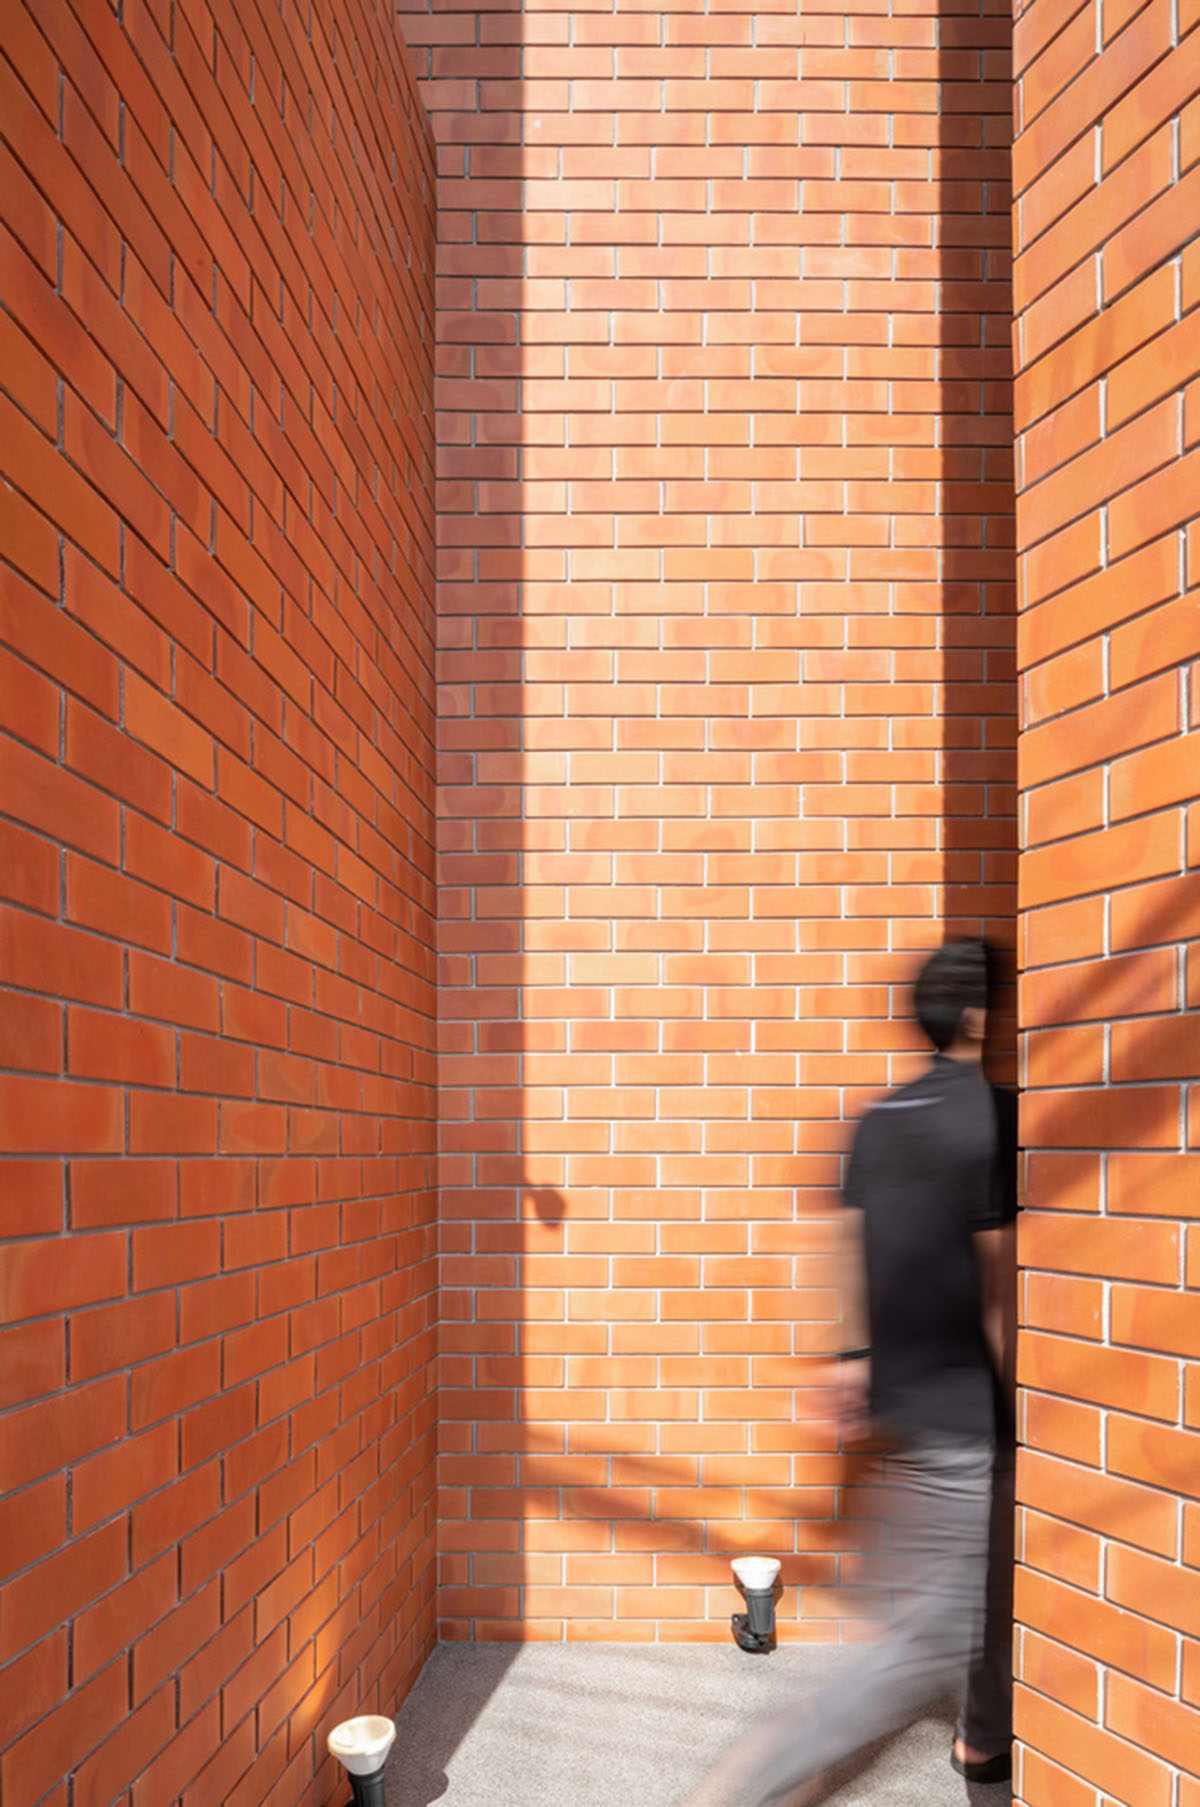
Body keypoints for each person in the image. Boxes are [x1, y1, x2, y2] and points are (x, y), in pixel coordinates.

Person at [685, 939, 1016, 1807]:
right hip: (957, 1413)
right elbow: (999, 1281)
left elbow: (838, 1248)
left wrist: (848, 1362)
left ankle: (982, 1740)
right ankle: (730, 1788)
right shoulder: (991, 1115)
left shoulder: (878, 1118)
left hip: (894, 1409)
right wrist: (1023, 1398)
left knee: (967, 1589)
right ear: (981, 1016)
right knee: (913, 1648)